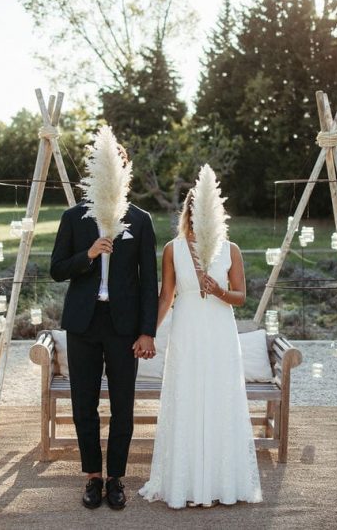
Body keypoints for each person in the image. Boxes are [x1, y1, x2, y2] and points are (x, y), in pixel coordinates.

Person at [138, 190, 262, 509]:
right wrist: (147, 333)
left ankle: (223, 481)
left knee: (220, 398)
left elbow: (241, 296)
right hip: (187, 330)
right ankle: (185, 481)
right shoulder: (172, 249)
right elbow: (166, 296)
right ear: (190, 212)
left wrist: (220, 290)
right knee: (188, 395)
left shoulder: (230, 249)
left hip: (220, 331)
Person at [50, 198, 158, 510]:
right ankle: (94, 477)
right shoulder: (73, 216)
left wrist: (147, 330)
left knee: (122, 405)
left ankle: (116, 479)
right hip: (83, 323)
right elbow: (57, 269)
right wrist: (89, 254)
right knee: (84, 404)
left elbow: (149, 280)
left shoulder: (140, 219)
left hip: (124, 326)